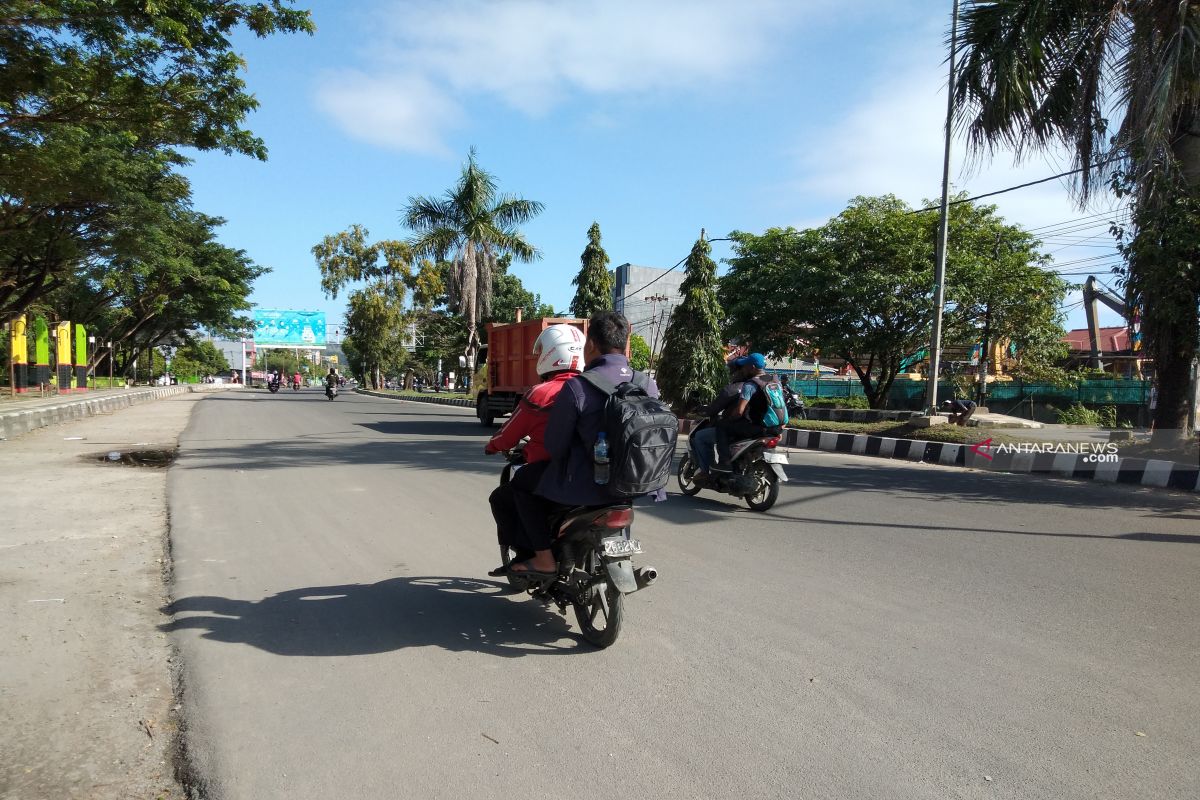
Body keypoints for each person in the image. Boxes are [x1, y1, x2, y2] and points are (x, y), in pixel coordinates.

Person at [508, 311, 660, 578]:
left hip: (583, 484)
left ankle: (544, 558)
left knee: (521, 484)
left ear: (590, 346)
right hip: (633, 484)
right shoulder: (647, 384)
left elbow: (556, 446)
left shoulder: (578, 387)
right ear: (625, 344)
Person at [485, 324, 586, 575]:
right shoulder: (597, 387)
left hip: (554, 472)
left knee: (508, 493)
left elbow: (508, 435)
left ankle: (539, 557)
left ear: (550, 354)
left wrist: (492, 446)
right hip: (596, 471)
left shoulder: (541, 393)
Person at [712, 353, 777, 472]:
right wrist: (780, 428)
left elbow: (739, 412)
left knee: (722, 426)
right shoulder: (775, 380)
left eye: (745, 366)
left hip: (758, 427)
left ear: (752, 367)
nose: (743, 369)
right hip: (776, 428)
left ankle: (724, 463)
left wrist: (729, 419)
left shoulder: (751, 384)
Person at [692, 360, 750, 480]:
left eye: (731, 372)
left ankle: (706, 472)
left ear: (737, 372)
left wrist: (700, 409)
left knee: (700, 437)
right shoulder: (757, 386)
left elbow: (713, 409)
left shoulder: (732, 389)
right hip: (755, 429)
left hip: (736, 429)